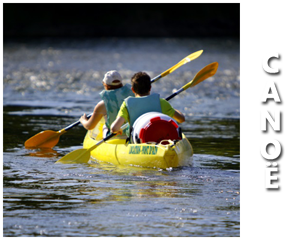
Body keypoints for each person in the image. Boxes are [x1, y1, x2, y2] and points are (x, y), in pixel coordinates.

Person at [110, 71, 185, 135]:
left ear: (133, 90)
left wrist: (118, 130)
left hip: (137, 142)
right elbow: (181, 119)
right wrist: (172, 109)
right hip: (159, 140)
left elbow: (114, 128)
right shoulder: (161, 102)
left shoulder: (127, 104)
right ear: (150, 88)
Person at [80, 70, 134, 136]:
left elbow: (89, 126)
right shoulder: (133, 96)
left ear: (105, 84)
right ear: (121, 83)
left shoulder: (102, 105)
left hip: (113, 137)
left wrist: (83, 120)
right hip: (131, 134)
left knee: (104, 126)